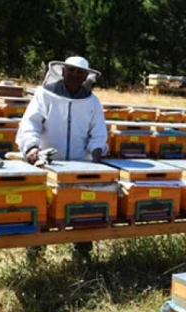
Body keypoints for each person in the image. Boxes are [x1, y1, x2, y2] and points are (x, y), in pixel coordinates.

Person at [17, 56, 108, 264]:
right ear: (62, 71)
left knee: (82, 210)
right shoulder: (44, 95)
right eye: (71, 71)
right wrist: (31, 147)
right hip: (46, 164)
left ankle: (82, 253)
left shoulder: (92, 102)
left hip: (80, 167)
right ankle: (36, 253)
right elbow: (30, 124)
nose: (75, 75)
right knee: (42, 209)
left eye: (80, 72)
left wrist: (96, 150)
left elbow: (99, 133)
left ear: (86, 76)